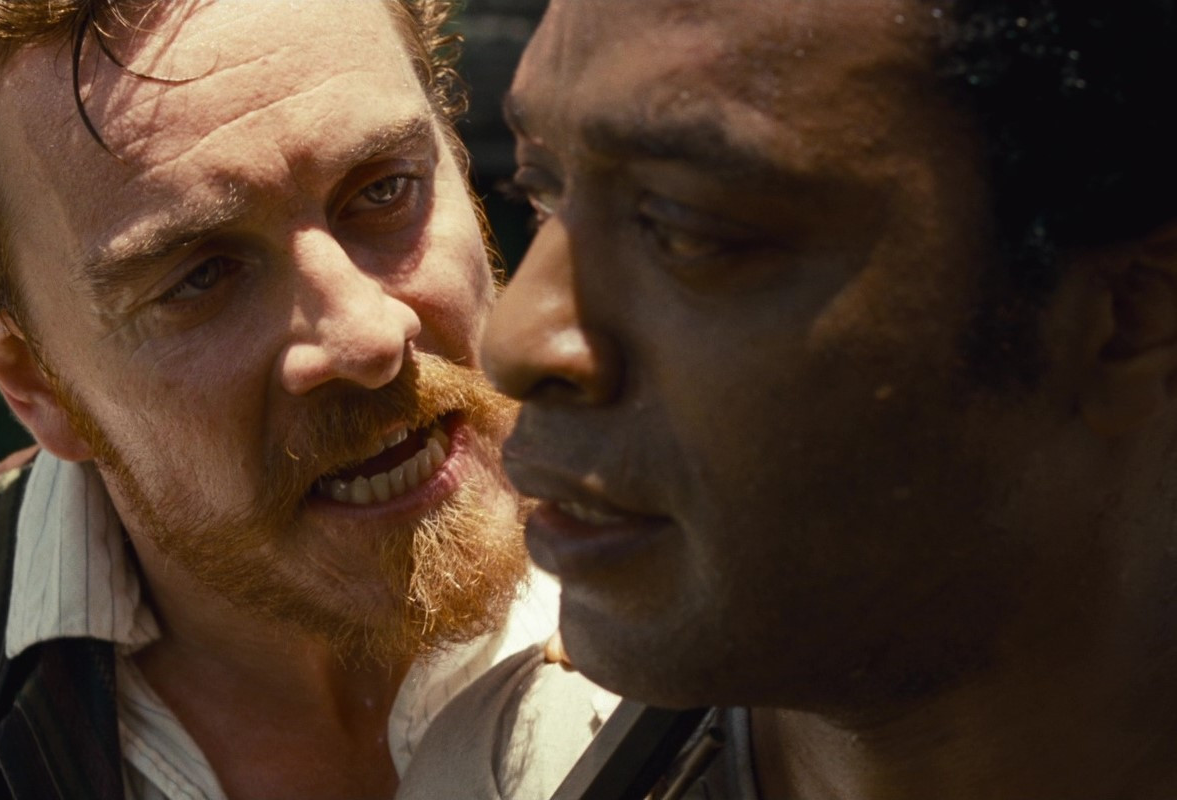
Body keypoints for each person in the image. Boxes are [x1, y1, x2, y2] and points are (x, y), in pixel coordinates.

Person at [0, 0, 607, 797]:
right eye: (201, 276)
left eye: (385, 190)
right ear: (28, 371)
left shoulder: (685, 543)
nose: (367, 337)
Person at [410, 0, 1177, 797]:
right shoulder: (504, 769)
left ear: (1128, 319)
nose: (516, 343)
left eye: (687, 228)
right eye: (539, 193)